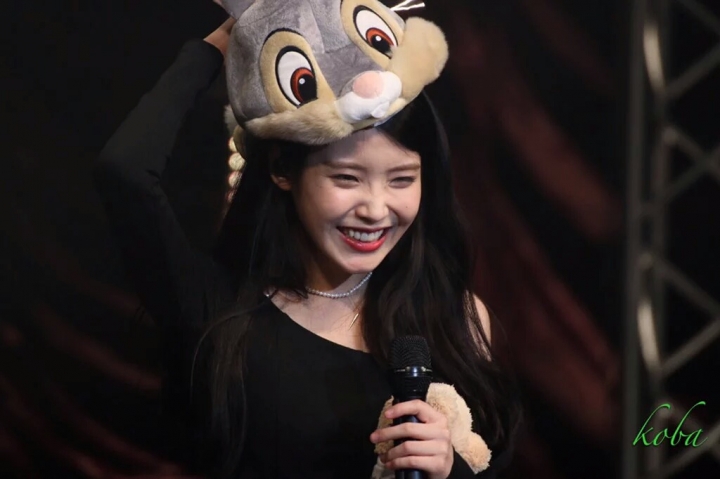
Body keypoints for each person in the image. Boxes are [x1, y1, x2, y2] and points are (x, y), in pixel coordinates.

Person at [94, 10, 520, 479]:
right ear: (282, 170)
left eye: (402, 179)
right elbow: (125, 171)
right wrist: (224, 44)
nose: (375, 209)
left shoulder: (457, 317)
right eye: (347, 178)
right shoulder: (221, 310)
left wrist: (449, 469)